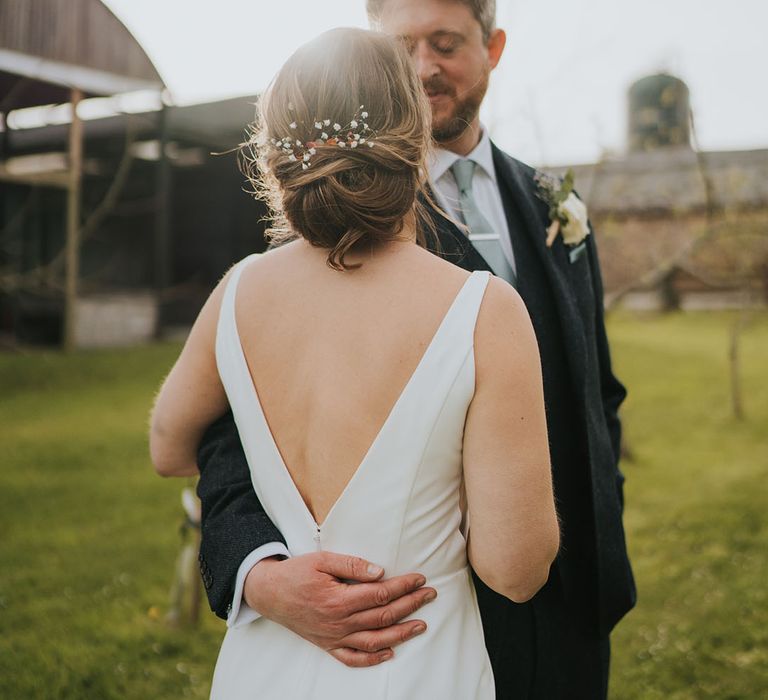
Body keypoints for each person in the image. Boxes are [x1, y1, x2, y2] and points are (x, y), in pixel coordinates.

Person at [194, 1, 636, 697]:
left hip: (572, 604)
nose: (425, 66)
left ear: (492, 47)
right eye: (403, 46)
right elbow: (230, 433)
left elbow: (596, 388)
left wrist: (602, 507)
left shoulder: (549, 197)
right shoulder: (326, 215)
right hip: (410, 623)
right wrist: (256, 569)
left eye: (446, 42)